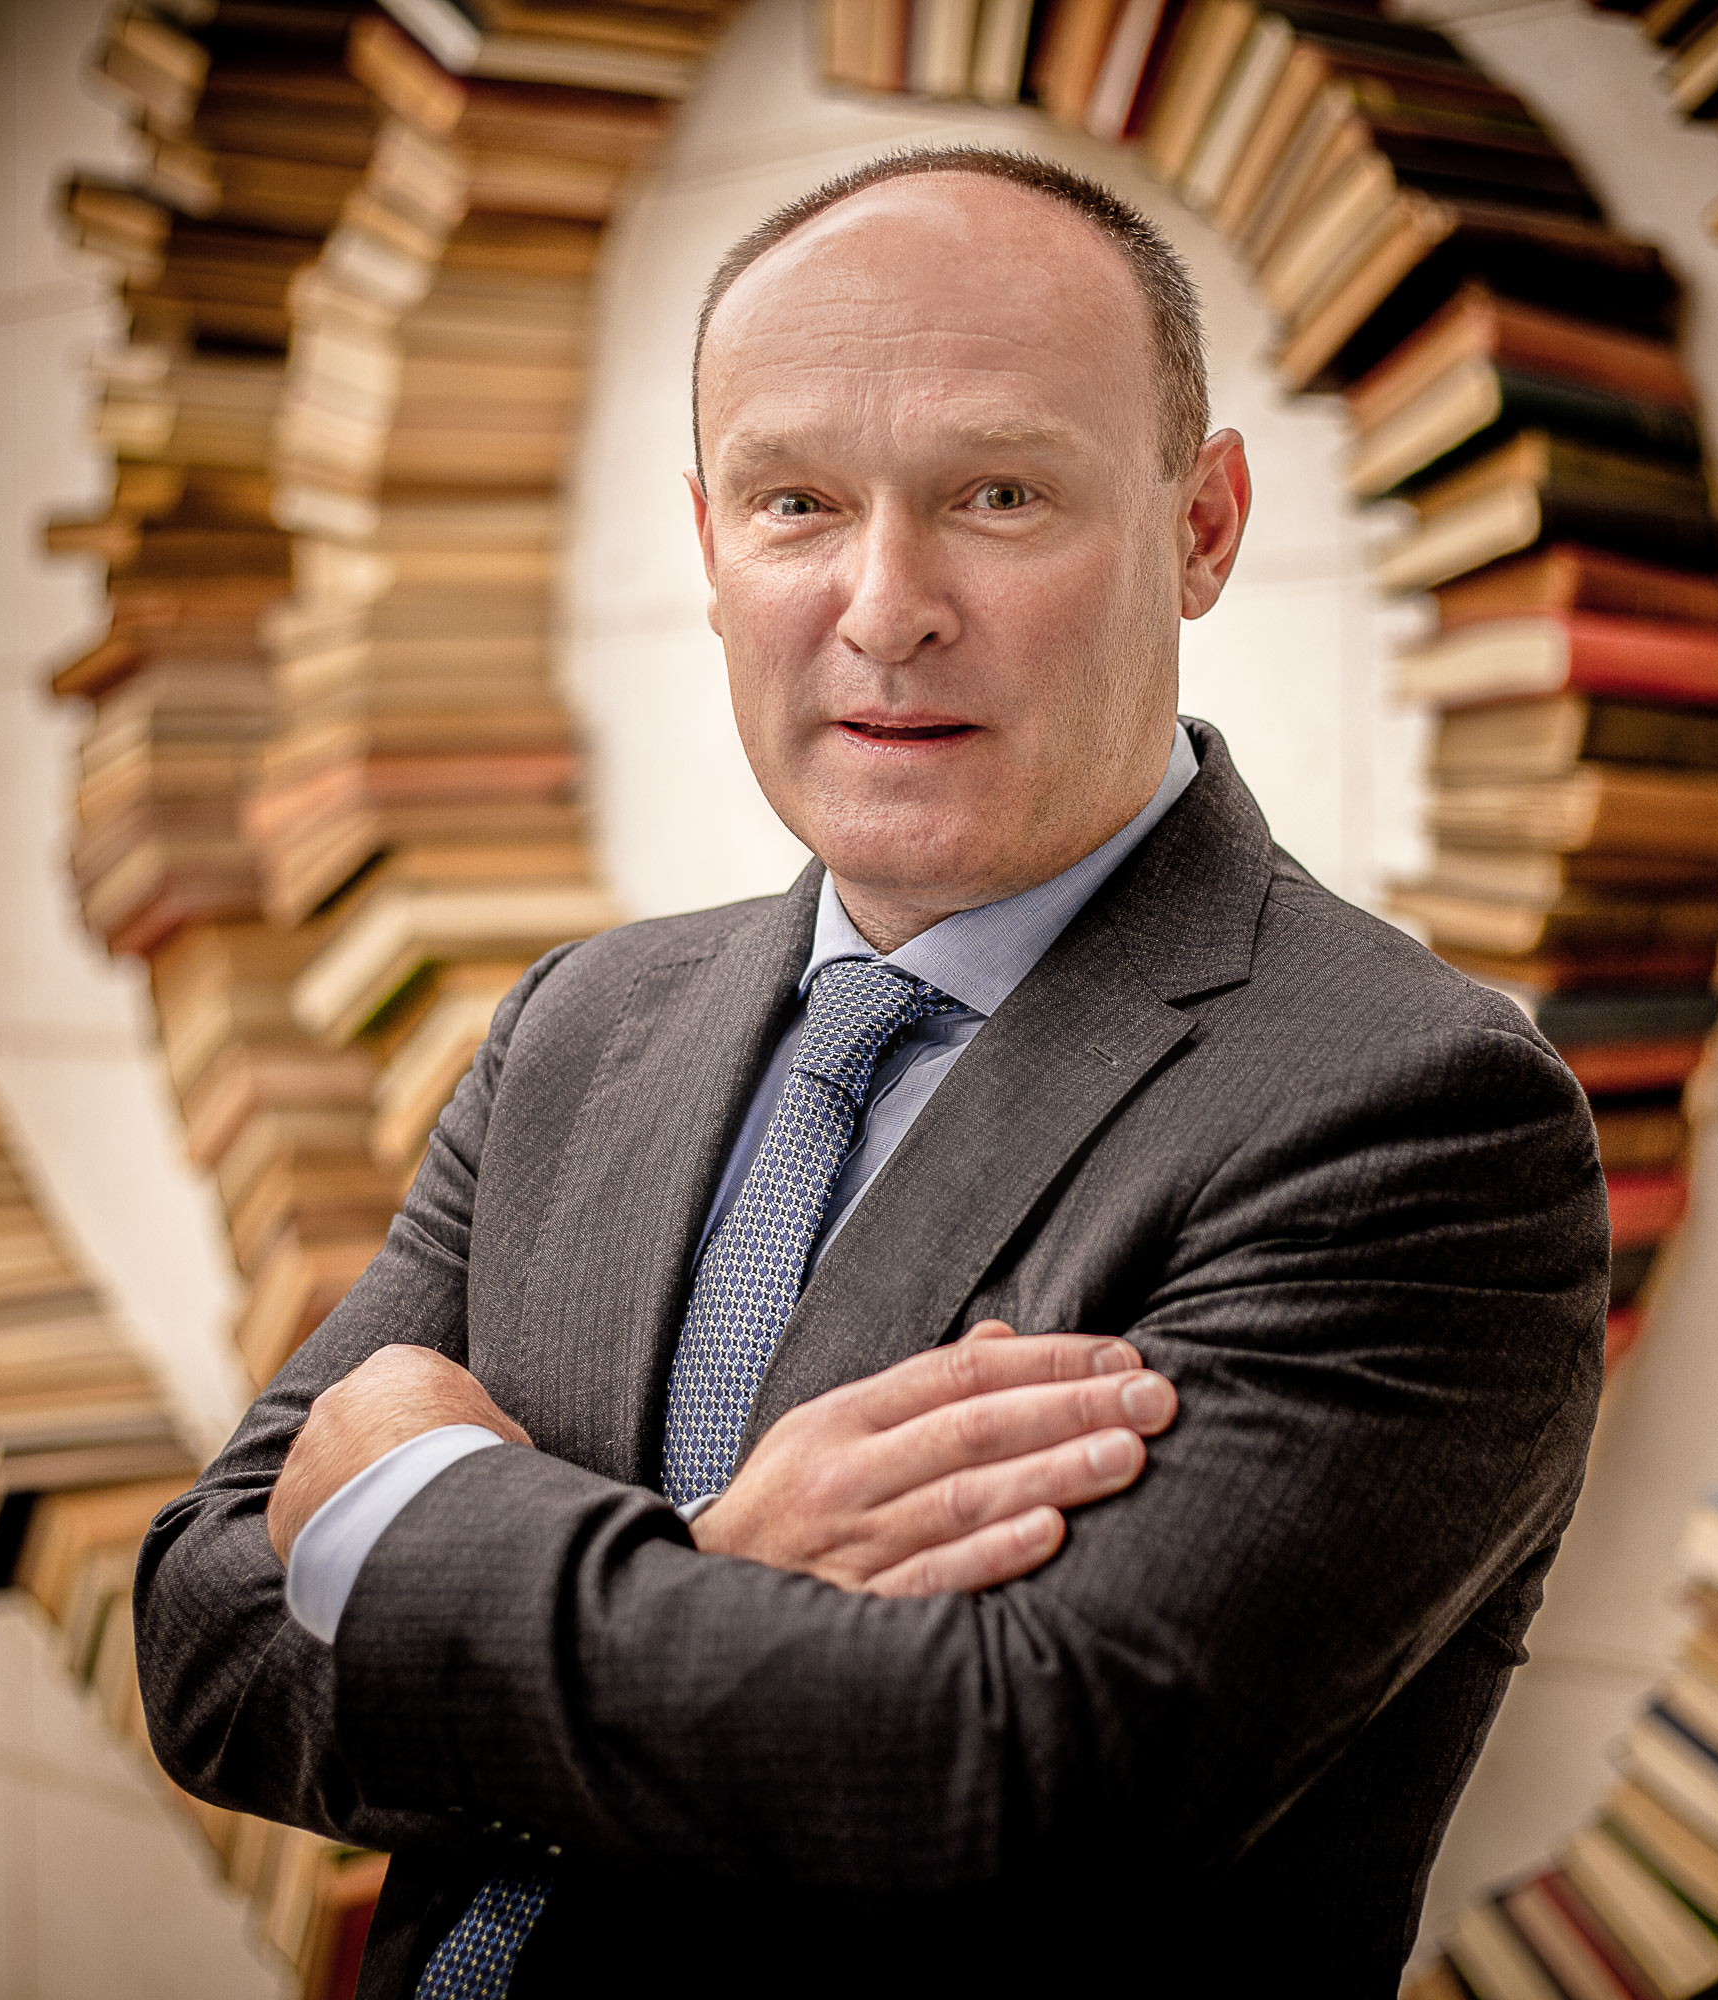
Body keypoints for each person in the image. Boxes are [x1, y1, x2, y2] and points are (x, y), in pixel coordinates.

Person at [137, 145, 1606, 1996]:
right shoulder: (578, 1031)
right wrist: (713, 1569)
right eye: (797, 503)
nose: (885, 603)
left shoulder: (1412, 1114)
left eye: (999, 493)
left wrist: (418, 1521)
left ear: (1206, 525)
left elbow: (996, 1786)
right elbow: (202, 1638)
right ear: (708, 548)